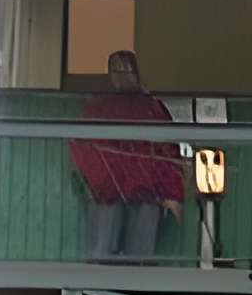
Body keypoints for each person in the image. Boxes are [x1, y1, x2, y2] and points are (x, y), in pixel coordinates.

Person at [70, 47, 182, 257]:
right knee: (102, 254)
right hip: (109, 192)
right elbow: (82, 148)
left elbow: (167, 152)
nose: (121, 74)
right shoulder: (98, 107)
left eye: (126, 69)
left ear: (135, 73)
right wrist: (96, 183)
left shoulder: (151, 107)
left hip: (146, 193)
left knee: (139, 259)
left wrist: (171, 193)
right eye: (116, 70)